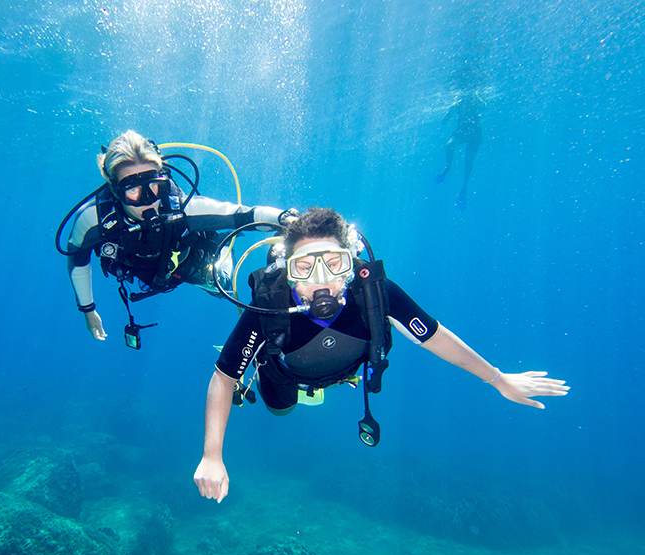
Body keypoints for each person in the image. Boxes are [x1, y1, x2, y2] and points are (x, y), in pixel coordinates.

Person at [193, 207, 569, 503]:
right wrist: (212, 455)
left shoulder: (374, 293)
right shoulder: (268, 310)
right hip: (287, 373)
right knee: (281, 409)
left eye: (334, 263)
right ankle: (272, 377)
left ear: (351, 265)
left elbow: (435, 336)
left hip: (349, 367)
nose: (321, 280)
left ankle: (330, 378)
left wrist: (497, 378)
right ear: (289, 274)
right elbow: (224, 377)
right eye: (304, 267)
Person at [64, 130, 295, 346]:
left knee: (221, 284)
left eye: (154, 187)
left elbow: (242, 214)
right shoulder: (92, 220)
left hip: (184, 264)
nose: (147, 199)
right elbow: (78, 259)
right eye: (133, 190)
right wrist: (88, 309)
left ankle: (222, 255)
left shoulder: (181, 207)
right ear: (116, 191)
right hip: (143, 271)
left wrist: (285, 218)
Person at [435, 90, 487, 210]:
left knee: (469, 162)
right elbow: (444, 121)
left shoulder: (476, 97)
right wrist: (452, 109)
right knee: (450, 145)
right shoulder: (458, 100)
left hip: (476, 131)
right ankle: (448, 167)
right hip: (462, 129)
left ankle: (464, 189)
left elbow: (485, 106)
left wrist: (478, 99)